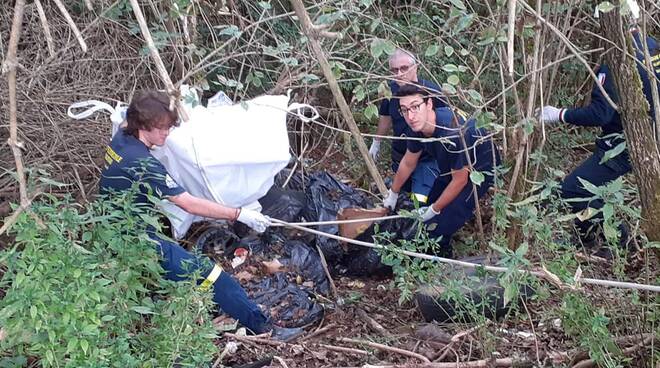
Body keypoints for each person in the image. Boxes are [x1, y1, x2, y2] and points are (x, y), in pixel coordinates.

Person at [99, 91, 301, 341]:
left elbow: (128, 118)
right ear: (143, 125)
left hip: (109, 229)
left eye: (169, 127)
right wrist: (240, 214)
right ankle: (265, 330)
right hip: (135, 238)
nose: (167, 134)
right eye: (161, 128)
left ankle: (214, 311)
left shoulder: (121, 137)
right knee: (217, 279)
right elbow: (188, 204)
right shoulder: (142, 163)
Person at [538, 28, 659, 252]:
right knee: (587, 187)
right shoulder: (652, 48)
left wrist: (559, 114)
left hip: (625, 144)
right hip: (651, 138)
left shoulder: (618, 61)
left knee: (574, 189)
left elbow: (600, 114)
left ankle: (623, 242)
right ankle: (586, 237)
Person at [382, 84, 500, 257]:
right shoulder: (417, 127)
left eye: (415, 107)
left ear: (429, 104)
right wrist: (393, 192)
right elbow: (408, 162)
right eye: (405, 110)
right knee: (431, 203)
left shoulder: (451, 133)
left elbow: (460, 180)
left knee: (441, 221)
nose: (411, 116)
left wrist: (435, 210)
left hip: (478, 169)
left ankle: (441, 258)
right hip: (450, 167)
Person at [369, 49, 445, 204]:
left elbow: (446, 124)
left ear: (415, 67)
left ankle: (422, 225)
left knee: (420, 201)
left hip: (426, 159)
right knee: (400, 199)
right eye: (395, 70)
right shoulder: (391, 91)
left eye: (404, 68)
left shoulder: (431, 92)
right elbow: (385, 116)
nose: (399, 74)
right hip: (401, 156)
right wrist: (376, 142)